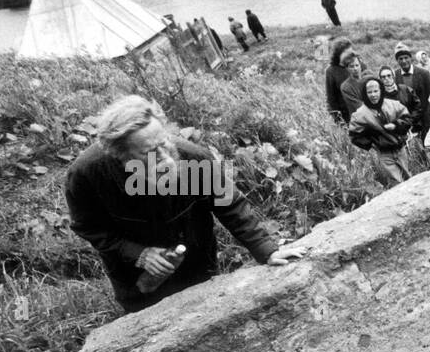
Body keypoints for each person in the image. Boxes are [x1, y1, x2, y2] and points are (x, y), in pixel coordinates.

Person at [65, 95, 304, 313]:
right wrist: (138, 254)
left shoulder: (194, 158)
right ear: (120, 155)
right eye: (150, 152)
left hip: (197, 263)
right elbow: (88, 227)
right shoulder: (87, 174)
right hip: (136, 278)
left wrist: (267, 249)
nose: (165, 157)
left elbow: (230, 205)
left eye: (165, 143)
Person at [348, 76, 411, 187]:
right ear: (365, 94)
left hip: (400, 149)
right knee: (396, 181)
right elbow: (354, 135)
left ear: (381, 91)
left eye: (376, 91)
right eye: (370, 92)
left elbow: (407, 118)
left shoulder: (393, 104)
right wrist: (373, 142)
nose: (373, 95)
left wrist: (396, 126)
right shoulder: (360, 114)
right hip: (384, 153)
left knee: (408, 177)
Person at [392, 43, 430, 135]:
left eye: (406, 57)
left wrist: (429, 117)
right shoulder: (395, 76)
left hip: (424, 119)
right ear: (397, 61)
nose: (404, 61)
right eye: (400, 59)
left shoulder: (424, 74)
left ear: (411, 58)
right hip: (405, 121)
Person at [324, 38, 353, 124]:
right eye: (347, 53)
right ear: (339, 54)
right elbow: (331, 98)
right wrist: (338, 120)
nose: (350, 55)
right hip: (345, 116)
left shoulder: (354, 65)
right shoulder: (331, 71)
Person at [338, 50, 366, 122]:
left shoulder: (368, 77)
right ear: (347, 68)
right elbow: (359, 107)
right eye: (351, 66)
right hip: (359, 120)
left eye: (357, 65)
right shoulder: (346, 87)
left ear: (360, 65)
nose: (355, 69)